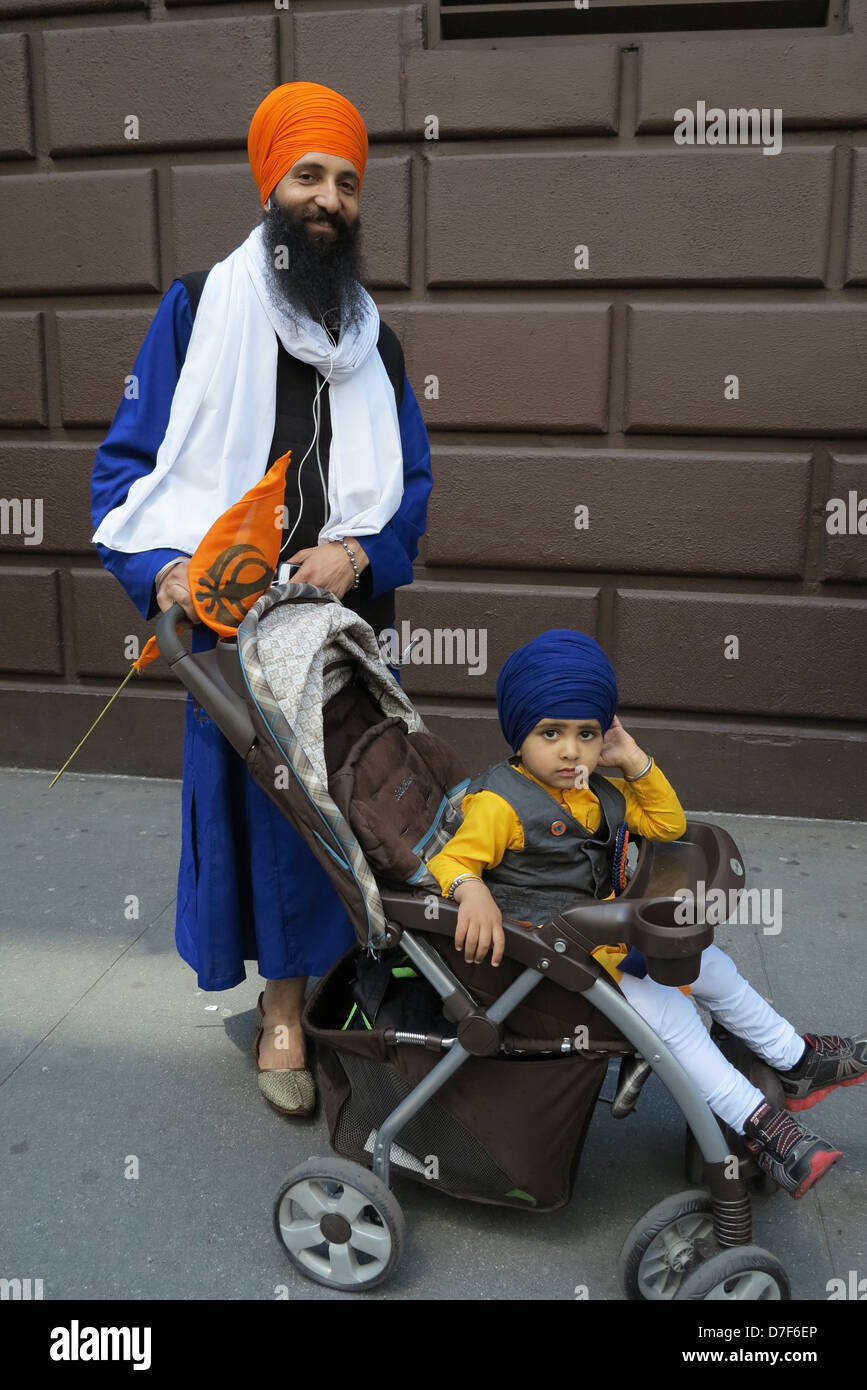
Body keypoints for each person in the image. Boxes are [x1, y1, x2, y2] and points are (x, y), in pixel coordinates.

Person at [91, 82, 433, 1117]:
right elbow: (125, 472)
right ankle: (285, 1009)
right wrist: (167, 571)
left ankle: (354, 984)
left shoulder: (376, 341)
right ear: (271, 186)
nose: (329, 198)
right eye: (309, 176)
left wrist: (361, 553)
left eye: (346, 181)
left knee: (369, 806)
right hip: (234, 634)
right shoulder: (197, 311)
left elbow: (412, 483)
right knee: (279, 824)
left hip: (346, 627)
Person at [427, 630, 867, 1198]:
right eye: (550, 734)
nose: (570, 751)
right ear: (520, 733)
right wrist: (473, 892)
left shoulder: (596, 792)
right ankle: (762, 1126)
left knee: (710, 965)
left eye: (587, 734)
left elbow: (669, 827)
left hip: (605, 941)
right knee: (674, 1018)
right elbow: (453, 858)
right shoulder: (498, 805)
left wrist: (633, 761)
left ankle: (796, 1058)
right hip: (549, 969)